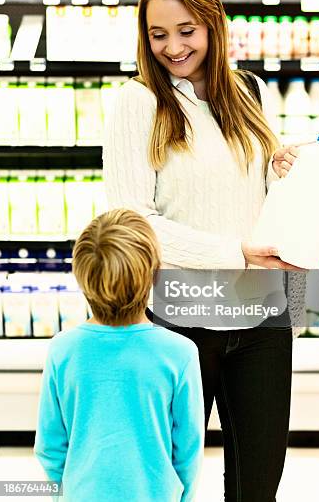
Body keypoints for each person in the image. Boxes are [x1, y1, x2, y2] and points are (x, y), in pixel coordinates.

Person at [103, 0, 306, 502]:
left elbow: (258, 202)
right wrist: (233, 253)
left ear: (213, 24)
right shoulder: (137, 102)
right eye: (158, 33)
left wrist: (281, 172)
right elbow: (132, 221)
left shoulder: (248, 92)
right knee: (167, 482)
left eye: (187, 30)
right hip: (180, 320)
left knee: (258, 484)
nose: (173, 46)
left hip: (261, 318)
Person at [34, 208, 204, 502]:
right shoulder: (180, 353)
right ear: (154, 273)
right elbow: (187, 450)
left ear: (81, 276)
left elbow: (50, 447)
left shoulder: (62, 350)